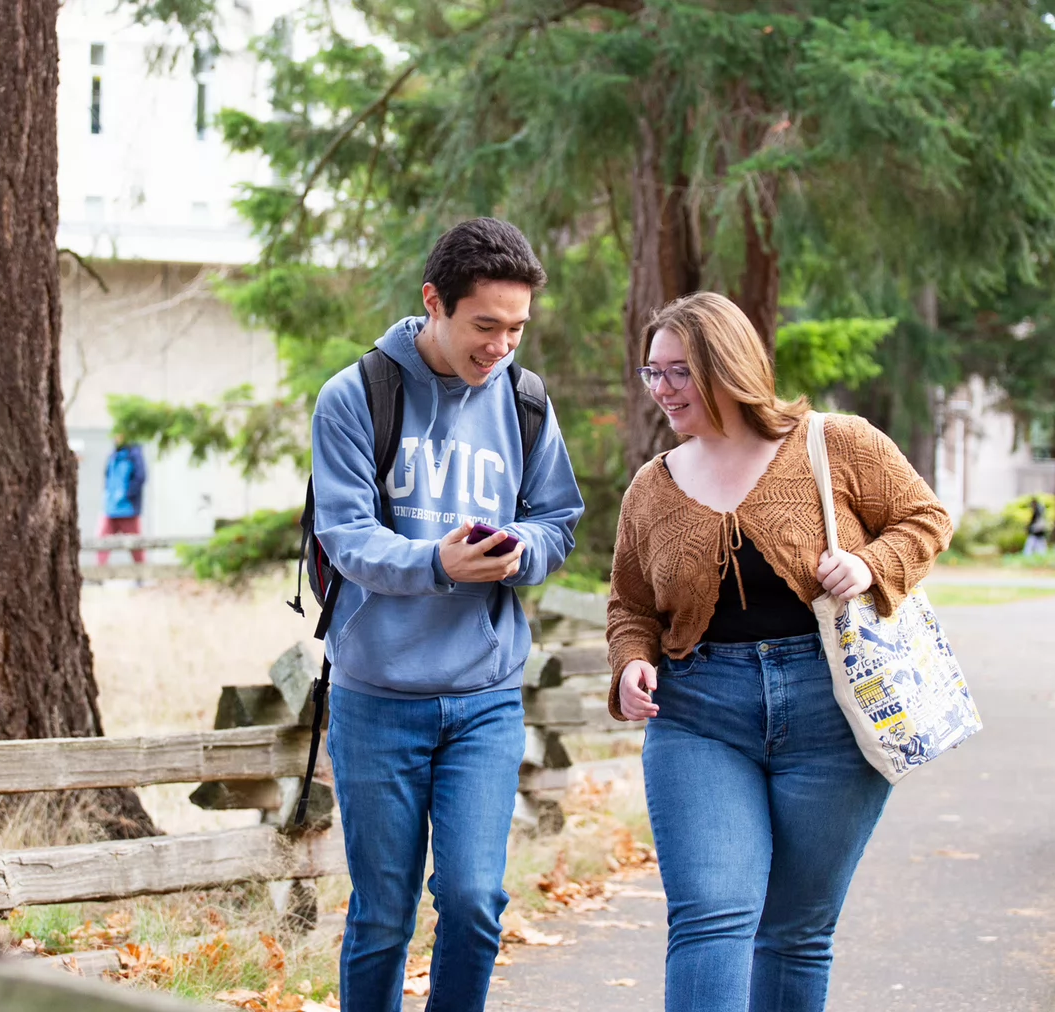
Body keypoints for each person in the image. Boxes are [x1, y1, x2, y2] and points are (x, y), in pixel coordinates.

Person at [606, 292, 952, 1012]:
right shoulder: (652, 488)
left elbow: (925, 518)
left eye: (678, 372)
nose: (661, 390)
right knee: (711, 915)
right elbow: (631, 604)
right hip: (699, 716)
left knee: (796, 931)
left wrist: (870, 566)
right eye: (652, 373)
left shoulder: (836, 443)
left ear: (725, 367)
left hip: (834, 712)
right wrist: (631, 661)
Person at [311, 218, 585, 1012]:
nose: (501, 346)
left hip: (485, 700)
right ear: (435, 302)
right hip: (377, 700)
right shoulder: (356, 395)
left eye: (517, 328)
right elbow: (346, 535)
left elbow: (557, 520)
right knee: (382, 917)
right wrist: (438, 562)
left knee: (471, 903)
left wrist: (516, 550)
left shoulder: (526, 401)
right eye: (485, 325)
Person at [97, 438, 147, 566]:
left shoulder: (134, 454)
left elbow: (140, 477)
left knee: (136, 545)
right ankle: (99, 574)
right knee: (103, 542)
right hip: (111, 507)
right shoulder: (113, 455)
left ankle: (141, 575)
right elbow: (107, 477)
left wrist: (127, 495)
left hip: (128, 508)